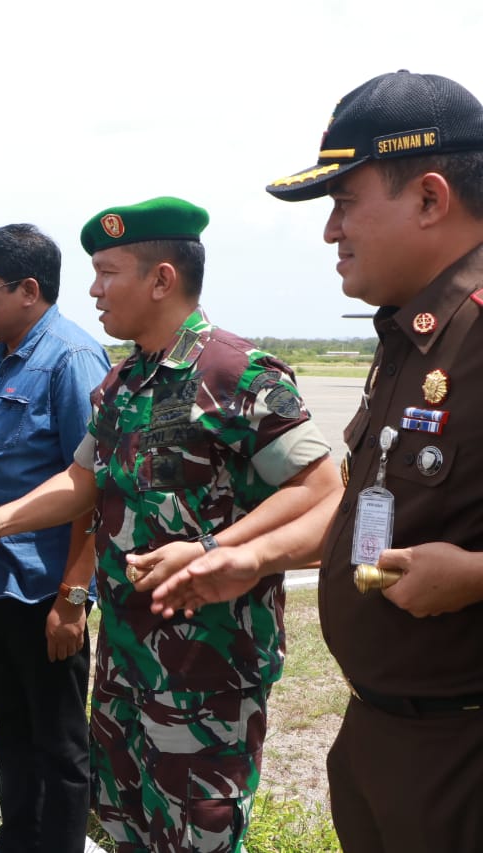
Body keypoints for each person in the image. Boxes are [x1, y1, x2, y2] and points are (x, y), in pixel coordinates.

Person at [148, 70, 483, 851]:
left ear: (431, 198)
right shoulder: (416, 333)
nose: (331, 232)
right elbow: (375, 504)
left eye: (343, 202)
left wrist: (473, 576)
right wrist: (247, 556)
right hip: (382, 732)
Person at [0, 198, 337, 852]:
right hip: (126, 664)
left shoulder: (237, 372)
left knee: (200, 838)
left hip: (209, 668)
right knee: (127, 830)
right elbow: (82, 479)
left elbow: (319, 490)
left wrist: (220, 549)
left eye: (108, 272)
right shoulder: (122, 382)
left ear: (162, 279)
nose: (92, 289)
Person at [0, 223, 109, 853]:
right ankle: (16, 840)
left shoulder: (72, 359)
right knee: (12, 727)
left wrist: (73, 594)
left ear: (29, 289)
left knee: (60, 742)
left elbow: (93, 486)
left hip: (45, 589)